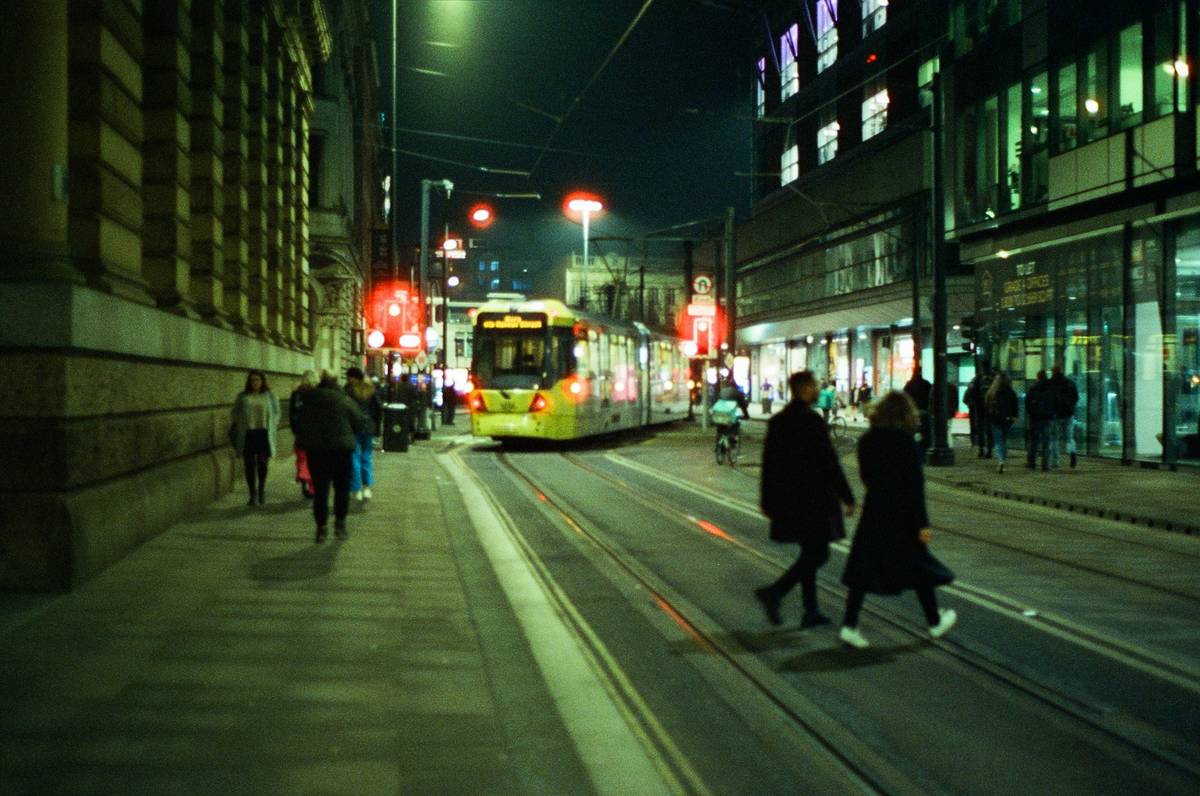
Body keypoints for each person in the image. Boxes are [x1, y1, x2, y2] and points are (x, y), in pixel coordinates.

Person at [838, 391, 957, 649]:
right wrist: (922, 523)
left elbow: (866, 476)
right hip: (902, 513)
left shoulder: (867, 440)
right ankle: (934, 621)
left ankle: (849, 624)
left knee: (863, 566)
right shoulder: (906, 443)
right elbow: (915, 485)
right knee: (919, 565)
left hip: (875, 509)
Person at [755, 370, 857, 628]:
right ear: (803, 389)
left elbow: (769, 465)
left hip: (789, 501)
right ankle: (775, 592)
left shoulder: (778, 421)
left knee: (810, 551)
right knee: (818, 553)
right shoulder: (812, 421)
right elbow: (829, 462)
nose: (817, 391)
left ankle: (810, 610)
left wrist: (767, 501)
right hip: (814, 500)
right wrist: (847, 496)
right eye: (814, 387)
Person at [296, 371, 367, 542]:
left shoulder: (310, 400)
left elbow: (299, 423)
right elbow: (359, 422)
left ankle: (321, 528)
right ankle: (340, 524)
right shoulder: (344, 399)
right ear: (336, 382)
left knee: (321, 490)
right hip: (341, 450)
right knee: (342, 488)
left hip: (317, 451)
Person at [230, 370, 281, 506]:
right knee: (249, 465)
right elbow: (235, 412)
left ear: (262, 381)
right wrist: (240, 422)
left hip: (263, 433)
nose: (255, 383)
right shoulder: (242, 396)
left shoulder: (270, 396)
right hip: (248, 434)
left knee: (262, 464)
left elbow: (277, 413)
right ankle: (252, 494)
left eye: (257, 380)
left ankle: (261, 491)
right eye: (252, 380)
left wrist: (273, 425)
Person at [345, 366, 383, 502]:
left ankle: (356, 489)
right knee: (366, 456)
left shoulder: (349, 390)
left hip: (354, 427)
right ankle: (366, 487)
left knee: (354, 457)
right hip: (368, 427)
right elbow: (378, 409)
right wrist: (377, 428)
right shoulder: (371, 389)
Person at [289, 370, 318, 499]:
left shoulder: (296, 394)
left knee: (301, 456)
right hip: (314, 430)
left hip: (300, 430)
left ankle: (303, 477)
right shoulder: (318, 393)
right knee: (314, 459)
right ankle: (311, 486)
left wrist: (295, 428)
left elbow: (291, 413)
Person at [985, 372, 1019, 473]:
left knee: (998, 441)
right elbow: (1015, 405)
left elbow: (987, 405)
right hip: (1007, 419)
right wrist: (1014, 416)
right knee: (1004, 440)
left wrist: (990, 415)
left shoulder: (992, 392)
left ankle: (1001, 461)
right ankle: (1003, 459)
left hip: (995, 419)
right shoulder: (1011, 392)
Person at [1049, 364, 1080, 469]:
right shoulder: (1070, 383)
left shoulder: (1051, 384)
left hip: (1056, 415)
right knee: (1069, 437)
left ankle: (1056, 462)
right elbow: (1076, 397)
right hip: (1068, 414)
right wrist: (1070, 406)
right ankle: (1072, 452)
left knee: (1054, 438)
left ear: (1053, 372)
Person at [1025, 370, 1055, 471]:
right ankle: (1045, 465)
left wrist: (1032, 413)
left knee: (1034, 441)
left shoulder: (1033, 388)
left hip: (1035, 418)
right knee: (1046, 442)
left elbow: (1027, 404)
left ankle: (1031, 462)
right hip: (1047, 418)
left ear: (1038, 377)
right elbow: (1056, 402)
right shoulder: (1051, 388)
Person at [903, 365, 933, 459]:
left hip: (913, 412)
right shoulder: (926, 384)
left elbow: (905, 397)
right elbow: (931, 397)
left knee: (912, 432)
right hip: (924, 411)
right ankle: (923, 453)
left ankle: (914, 452)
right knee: (926, 434)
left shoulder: (909, 384)